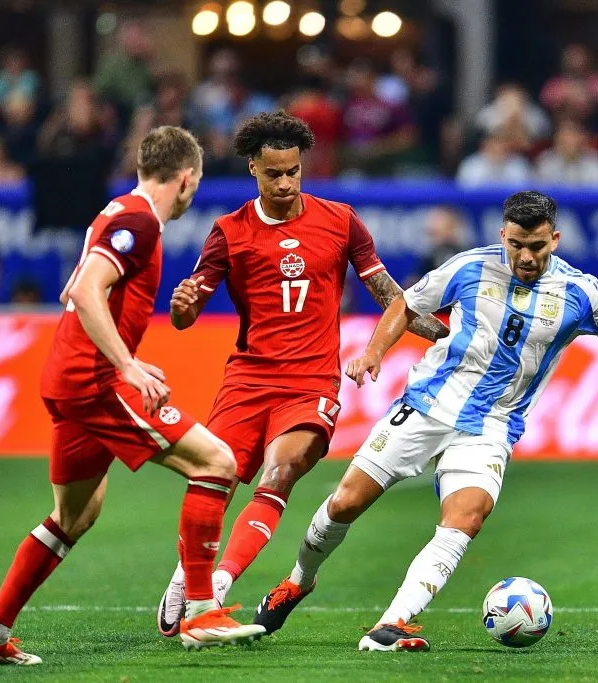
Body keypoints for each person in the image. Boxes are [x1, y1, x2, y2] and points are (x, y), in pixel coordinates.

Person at [252, 190, 598, 651]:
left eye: (537, 246)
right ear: (503, 235)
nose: (526, 256)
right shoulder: (470, 265)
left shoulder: (582, 293)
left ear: (554, 240)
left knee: (465, 518)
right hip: (427, 405)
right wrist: (374, 352)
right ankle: (298, 581)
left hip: (493, 425)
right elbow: (406, 304)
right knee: (345, 504)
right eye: (516, 244)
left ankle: (391, 624)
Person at [0, 126, 264, 667]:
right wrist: (124, 363)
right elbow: (83, 290)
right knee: (217, 462)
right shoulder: (140, 220)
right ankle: (198, 610)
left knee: (73, 516)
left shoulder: (116, 209)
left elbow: (75, 286)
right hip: (95, 383)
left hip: (69, 378)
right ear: (188, 177)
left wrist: (122, 347)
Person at [156, 112, 449, 637]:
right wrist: (182, 304)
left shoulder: (340, 221)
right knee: (213, 480)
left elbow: (391, 299)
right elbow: (185, 317)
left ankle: (216, 588)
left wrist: (446, 336)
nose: (287, 183)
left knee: (280, 474)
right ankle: (188, 575)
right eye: (275, 174)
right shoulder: (228, 233)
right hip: (247, 381)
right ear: (253, 169)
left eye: (293, 171)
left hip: (311, 384)